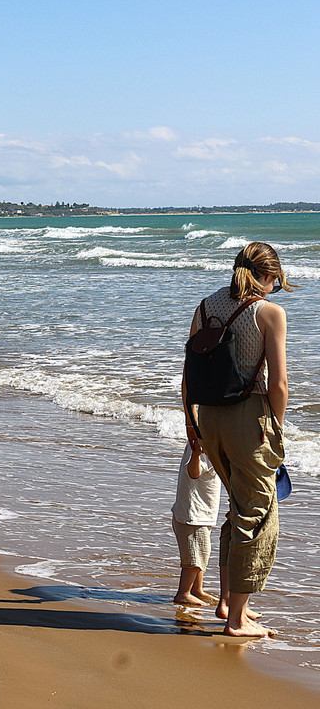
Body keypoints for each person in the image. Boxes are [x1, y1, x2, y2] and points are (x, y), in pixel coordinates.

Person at [183, 242, 291, 638]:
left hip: (209, 416)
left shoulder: (206, 306)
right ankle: (236, 619)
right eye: (276, 282)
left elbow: (188, 373)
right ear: (268, 276)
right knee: (259, 513)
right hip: (249, 417)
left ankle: (229, 603)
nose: (275, 289)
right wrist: (274, 428)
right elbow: (278, 384)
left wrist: (193, 426)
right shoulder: (269, 312)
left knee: (238, 507)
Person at [171, 439, 220, 606]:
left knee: (201, 554)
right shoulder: (201, 446)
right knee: (195, 559)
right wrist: (197, 455)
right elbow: (193, 472)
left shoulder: (209, 443)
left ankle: (196, 589)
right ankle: (183, 593)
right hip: (193, 516)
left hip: (200, 513)